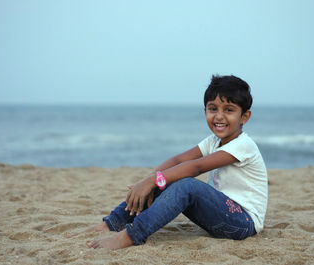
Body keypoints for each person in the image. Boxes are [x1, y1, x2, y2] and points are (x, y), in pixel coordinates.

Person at [67, 75, 268, 250]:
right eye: (212, 108)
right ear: (205, 110)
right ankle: (113, 223)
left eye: (229, 110)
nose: (219, 116)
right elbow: (179, 160)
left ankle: (132, 235)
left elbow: (196, 167)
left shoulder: (244, 145)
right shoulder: (213, 141)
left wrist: (154, 179)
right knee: (167, 179)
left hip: (243, 222)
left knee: (185, 184)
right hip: (220, 215)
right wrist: (150, 180)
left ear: (245, 117)